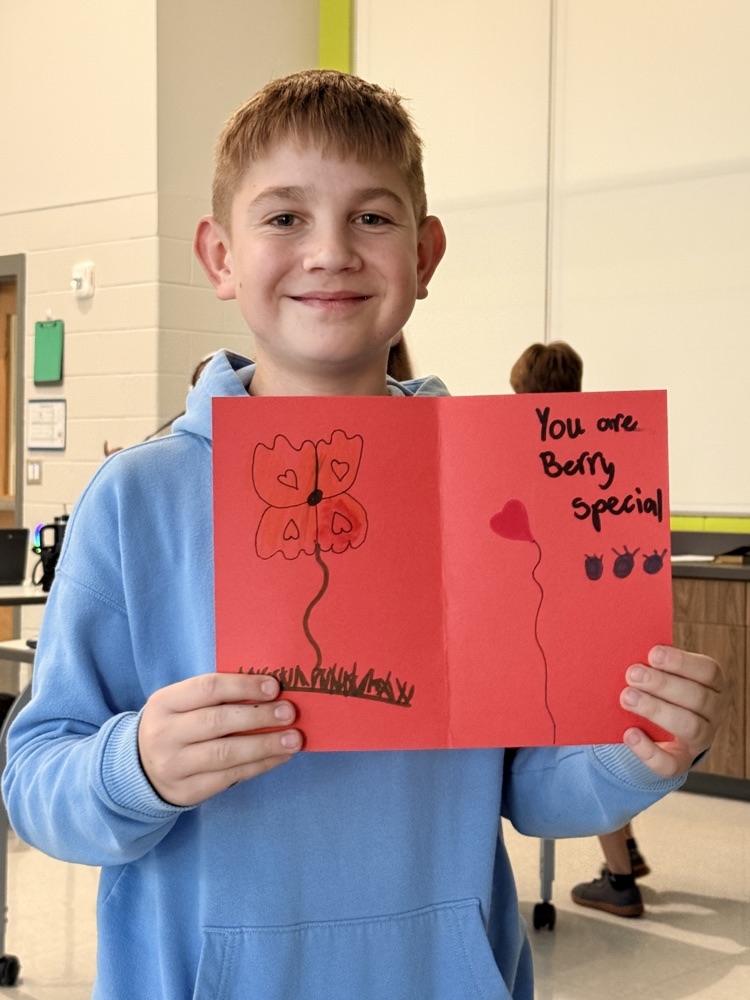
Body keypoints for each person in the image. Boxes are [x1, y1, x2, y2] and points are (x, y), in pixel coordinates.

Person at [2, 70, 727, 1000]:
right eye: (284, 218)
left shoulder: (498, 488)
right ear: (220, 255)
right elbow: (37, 779)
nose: (331, 251)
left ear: (425, 255)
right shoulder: (137, 499)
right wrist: (133, 763)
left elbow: (529, 785)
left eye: (374, 219)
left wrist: (637, 751)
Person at [511, 341, 652, 918]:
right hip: (607, 621)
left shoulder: (521, 447)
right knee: (608, 737)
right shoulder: (607, 444)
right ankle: (628, 851)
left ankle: (620, 880)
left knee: (572, 746)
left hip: (547, 627)